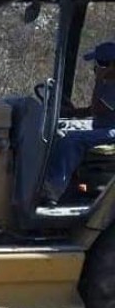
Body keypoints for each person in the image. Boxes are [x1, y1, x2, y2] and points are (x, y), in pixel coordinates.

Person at [42, 41, 115, 205]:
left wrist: (98, 80)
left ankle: (52, 191)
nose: (94, 68)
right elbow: (95, 110)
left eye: (98, 64)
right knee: (62, 130)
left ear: (107, 64)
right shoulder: (109, 83)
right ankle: (67, 187)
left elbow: (97, 110)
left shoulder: (109, 84)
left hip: (111, 131)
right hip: (104, 127)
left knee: (71, 140)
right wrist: (73, 113)